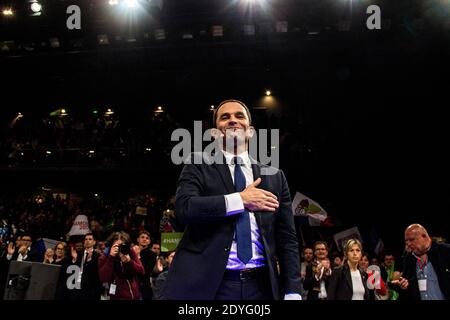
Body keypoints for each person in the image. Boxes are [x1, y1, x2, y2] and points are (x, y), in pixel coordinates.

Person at [162, 99, 301, 300]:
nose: (232, 120)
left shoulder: (275, 176)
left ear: (251, 131)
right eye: (225, 117)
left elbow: (287, 238)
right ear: (214, 133)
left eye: (239, 116)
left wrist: (293, 290)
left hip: (261, 286)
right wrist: (240, 200)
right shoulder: (197, 164)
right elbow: (185, 208)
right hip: (210, 286)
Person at [393, 224, 450, 300]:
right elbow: (408, 289)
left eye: (412, 240)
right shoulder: (409, 259)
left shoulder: (445, 251)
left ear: (424, 236)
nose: (408, 244)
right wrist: (403, 286)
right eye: (406, 241)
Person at [98, 231, 145, 300]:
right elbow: (103, 278)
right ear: (111, 245)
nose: (119, 248)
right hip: (117, 297)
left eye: (122, 245)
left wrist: (129, 261)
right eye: (116, 246)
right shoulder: (104, 257)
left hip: (135, 296)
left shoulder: (130, 252)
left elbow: (141, 271)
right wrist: (111, 257)